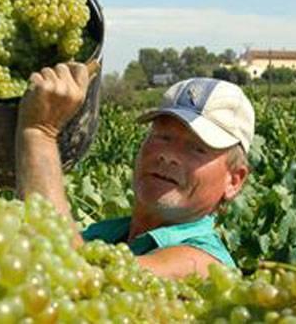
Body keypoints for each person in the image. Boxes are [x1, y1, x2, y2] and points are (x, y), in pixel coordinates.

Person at [15, 62, 254, 279]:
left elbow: (76, 275)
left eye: (197, 149)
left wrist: (39, 131)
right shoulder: (104, 235)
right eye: (163, 137)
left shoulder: (205, 268)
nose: (168, 155)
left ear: (234, 180)